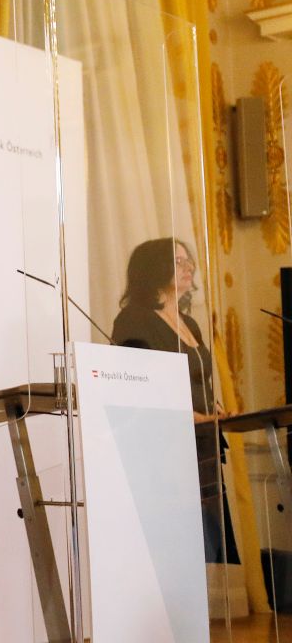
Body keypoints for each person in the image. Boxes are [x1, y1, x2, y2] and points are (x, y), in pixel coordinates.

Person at [111, 237, 236, 565]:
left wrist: (213, 409)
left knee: (211, 551)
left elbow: (196, 379)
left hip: (203, 444)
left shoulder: (189, 321)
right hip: (163, 455)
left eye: (188, 261)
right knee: (181, 554)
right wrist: (186, 415)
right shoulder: (133, 319)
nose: (189, 267)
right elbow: (132, 386)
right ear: (154, 269)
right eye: (179, 262)